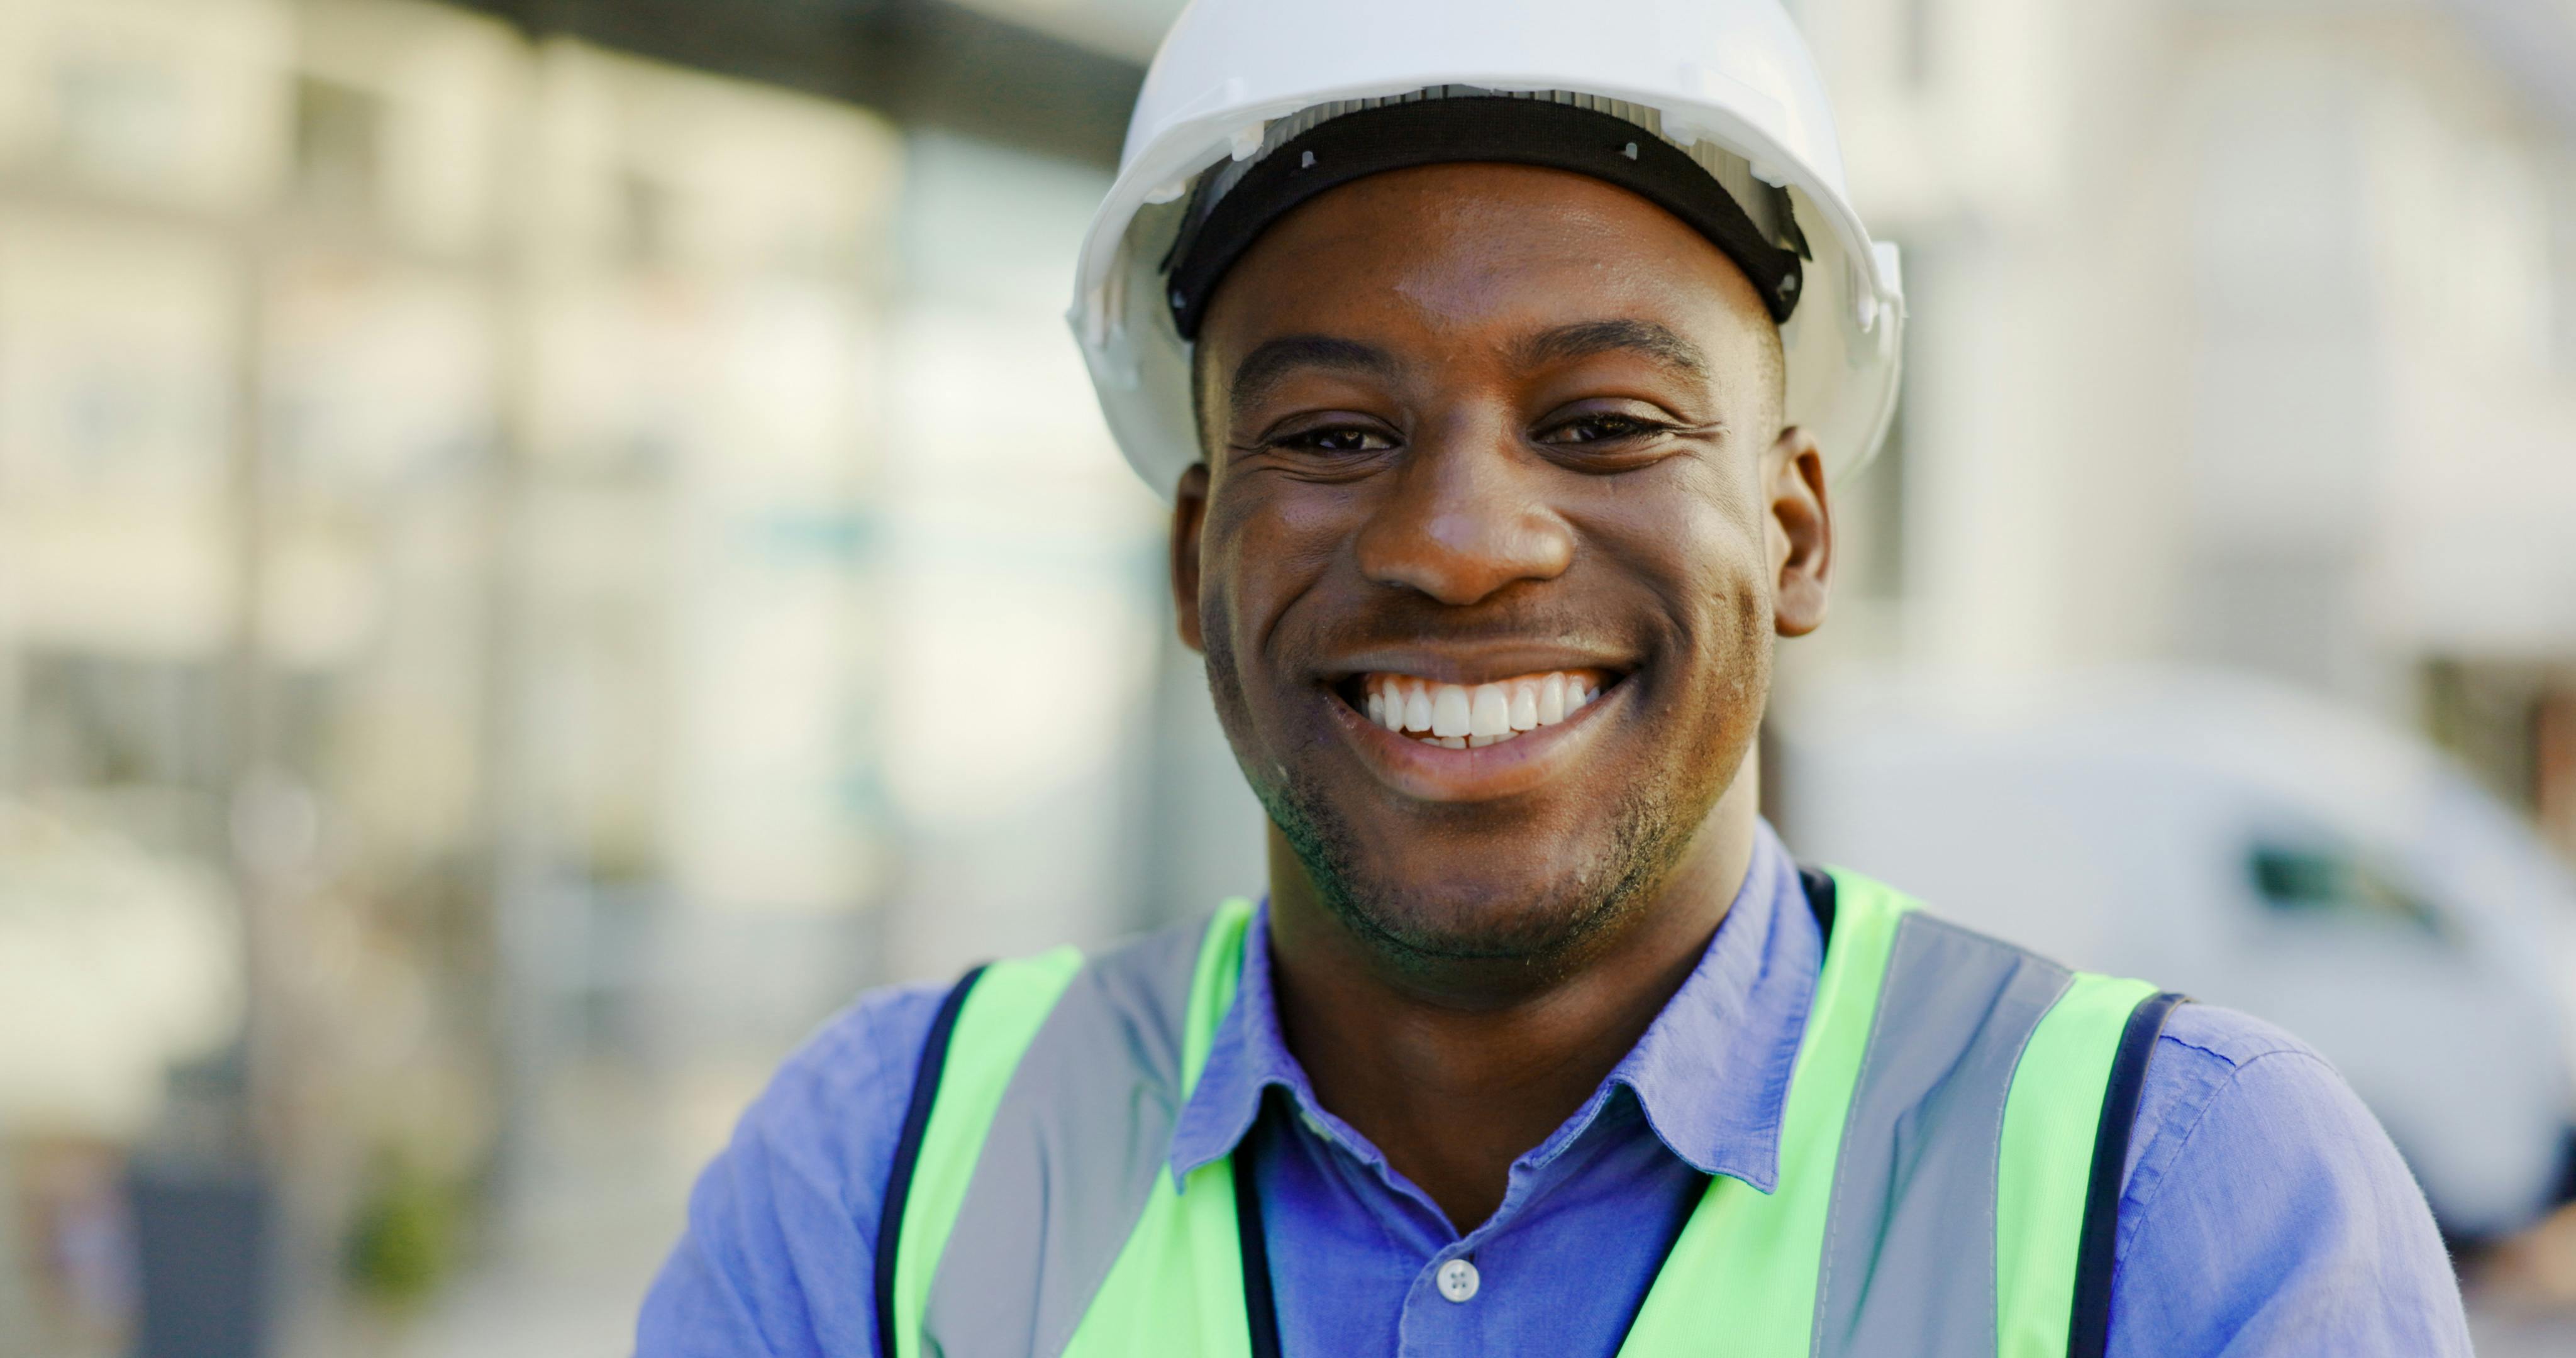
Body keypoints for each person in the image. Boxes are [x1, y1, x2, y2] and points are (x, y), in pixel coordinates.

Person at [639, 1, 2475, 1354]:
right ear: (1192, 559)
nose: (1460, 542)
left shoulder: (2181, 1202)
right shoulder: (880, 1181)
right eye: (1337, 435)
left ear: (1801, 534)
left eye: (1602, 422)